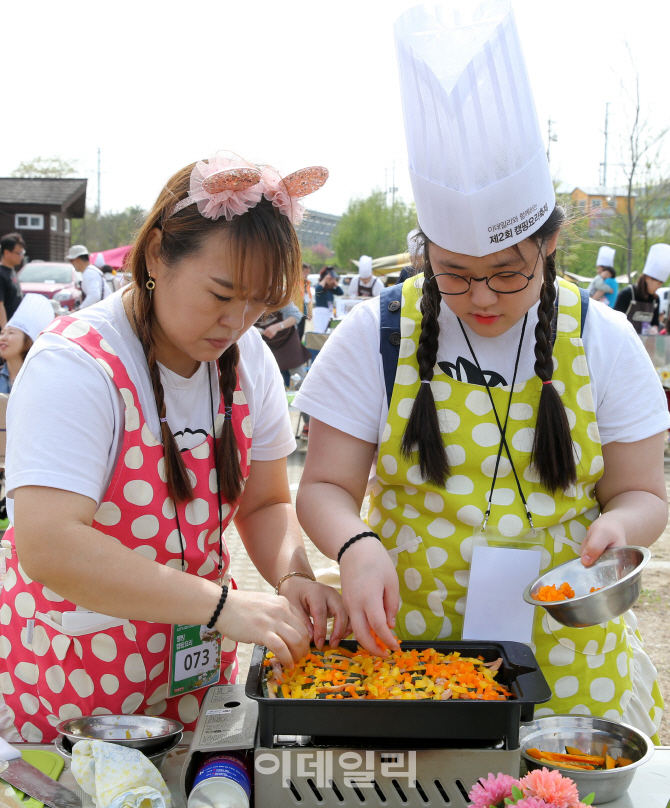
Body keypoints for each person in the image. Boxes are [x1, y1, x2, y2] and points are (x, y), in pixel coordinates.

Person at [294, 1, 667, 742]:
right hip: (412, 641)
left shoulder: (605, 339)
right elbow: (327, 486)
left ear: (552, 243)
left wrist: (620, 528)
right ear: (425, 247)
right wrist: (354, 545)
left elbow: (644, 492)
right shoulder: (377, 331)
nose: (484, 298)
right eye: (456, 275)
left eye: (508, 273)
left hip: (568, 648)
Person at [0, 152, 346, 743]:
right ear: (158, 252)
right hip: (79, 677)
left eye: (260, 302)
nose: (238, 320)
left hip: (197, 675)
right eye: (221, 293)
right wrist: (220, 606)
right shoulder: (78, 365)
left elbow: (264, 503)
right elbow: (48, 543)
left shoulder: (250, 360)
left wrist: (293, 577)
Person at [0, 294, 55, 393]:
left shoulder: (43, 383)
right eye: (2, 333)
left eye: (11, 332)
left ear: (29, 341)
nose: (3, 338)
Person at [614, 243, 670, 334]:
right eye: (658, 283)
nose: (659, 286)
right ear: (647, 278)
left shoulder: (655, 299)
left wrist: (654, 329)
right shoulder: (627, 294)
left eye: (661, 284)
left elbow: (655, 322)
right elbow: (614, 320)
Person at [258, 300, 311, 388]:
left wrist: (278, 327)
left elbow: (296, 316)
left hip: (288, 339)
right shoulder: (249, 299)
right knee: (270, 376)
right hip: (266, 343)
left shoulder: (279, 295)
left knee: (298, 377)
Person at [0, 233, 25, 328]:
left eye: (22, 253)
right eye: (18, 253)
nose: (21, 256)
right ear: (6, 253)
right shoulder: (1, 274)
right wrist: (5, 330)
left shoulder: (12, 271)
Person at [312, 266, 343, 333]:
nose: (331, 281)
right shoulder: (319, 287)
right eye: (330, 279)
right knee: (319, 333)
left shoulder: (330, 289)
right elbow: (318, 289)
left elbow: (340, 292)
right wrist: (325, 279)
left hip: (329, 313)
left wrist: (334, 282)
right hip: (320, 314)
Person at [298, 262, 312, 340]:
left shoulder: (307, 284)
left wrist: (310, 312)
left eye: (308, 272)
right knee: (296, 333)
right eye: (305, 272)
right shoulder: (295, 283)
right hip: (295, 312)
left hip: (304, 312)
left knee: (301, 333)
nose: (306, 274)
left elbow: (309, 300)